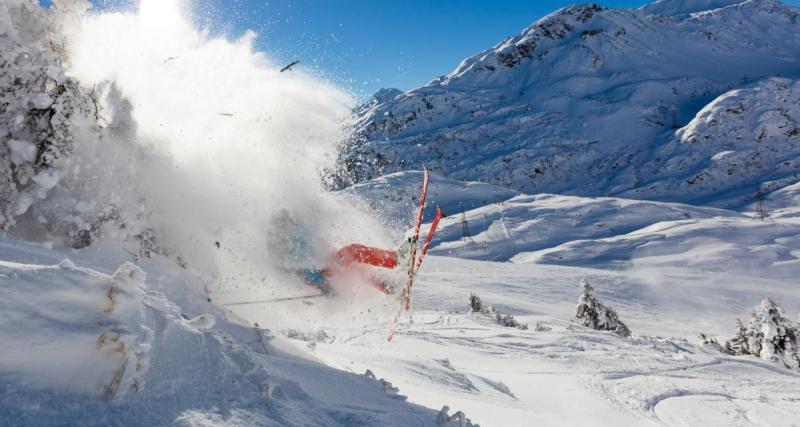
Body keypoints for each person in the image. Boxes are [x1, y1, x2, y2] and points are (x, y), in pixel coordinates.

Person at [268, 209, 411, 296]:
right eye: (283, 221)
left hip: (329, 261)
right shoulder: (285, 251)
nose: (287, 220)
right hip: (324, 272)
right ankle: (396, 259)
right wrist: (324, 286)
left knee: (357, 269)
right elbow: (302, 274)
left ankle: (390, 288)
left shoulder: (297, 229)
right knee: (352, 251)